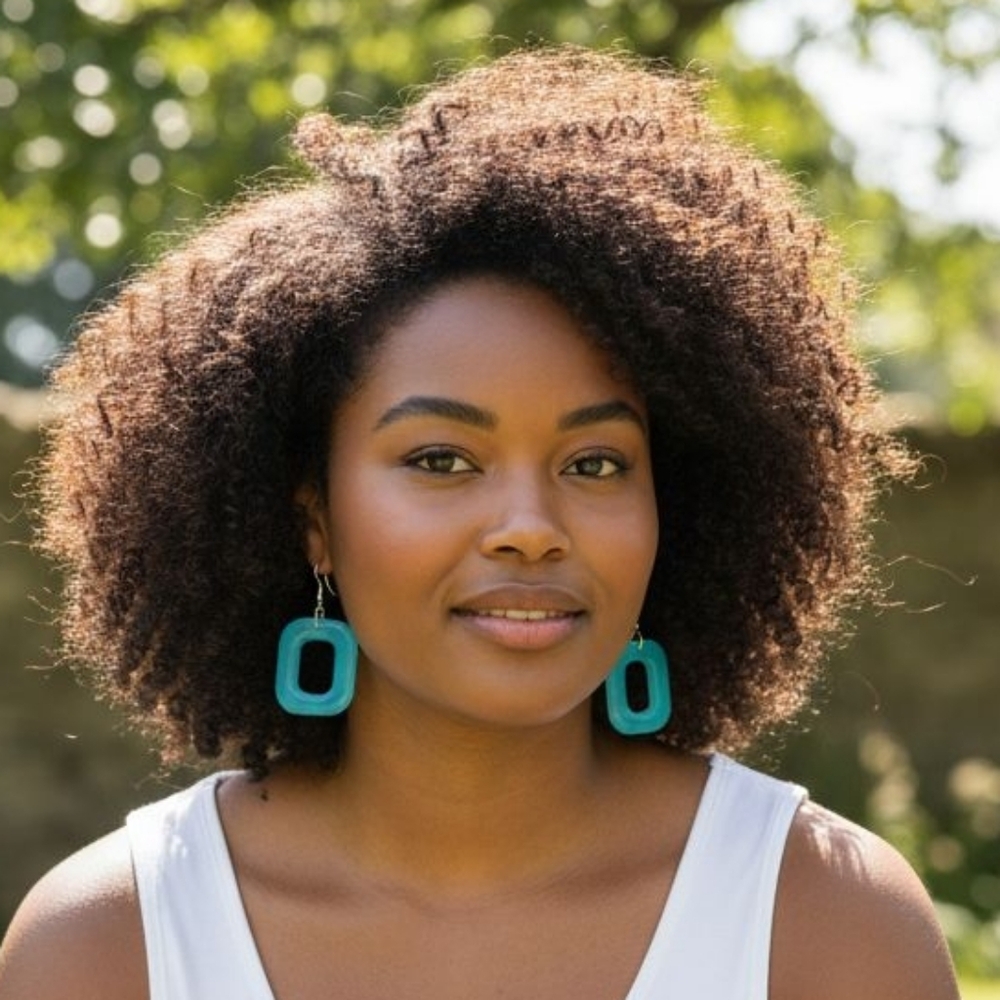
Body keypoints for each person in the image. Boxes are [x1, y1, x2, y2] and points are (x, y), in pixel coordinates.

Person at [0, 46, 959, 1000]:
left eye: (595, 464)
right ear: (312, 520)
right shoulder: (110, 943)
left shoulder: (829, 923)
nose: (530, 528)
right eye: (441, 461)